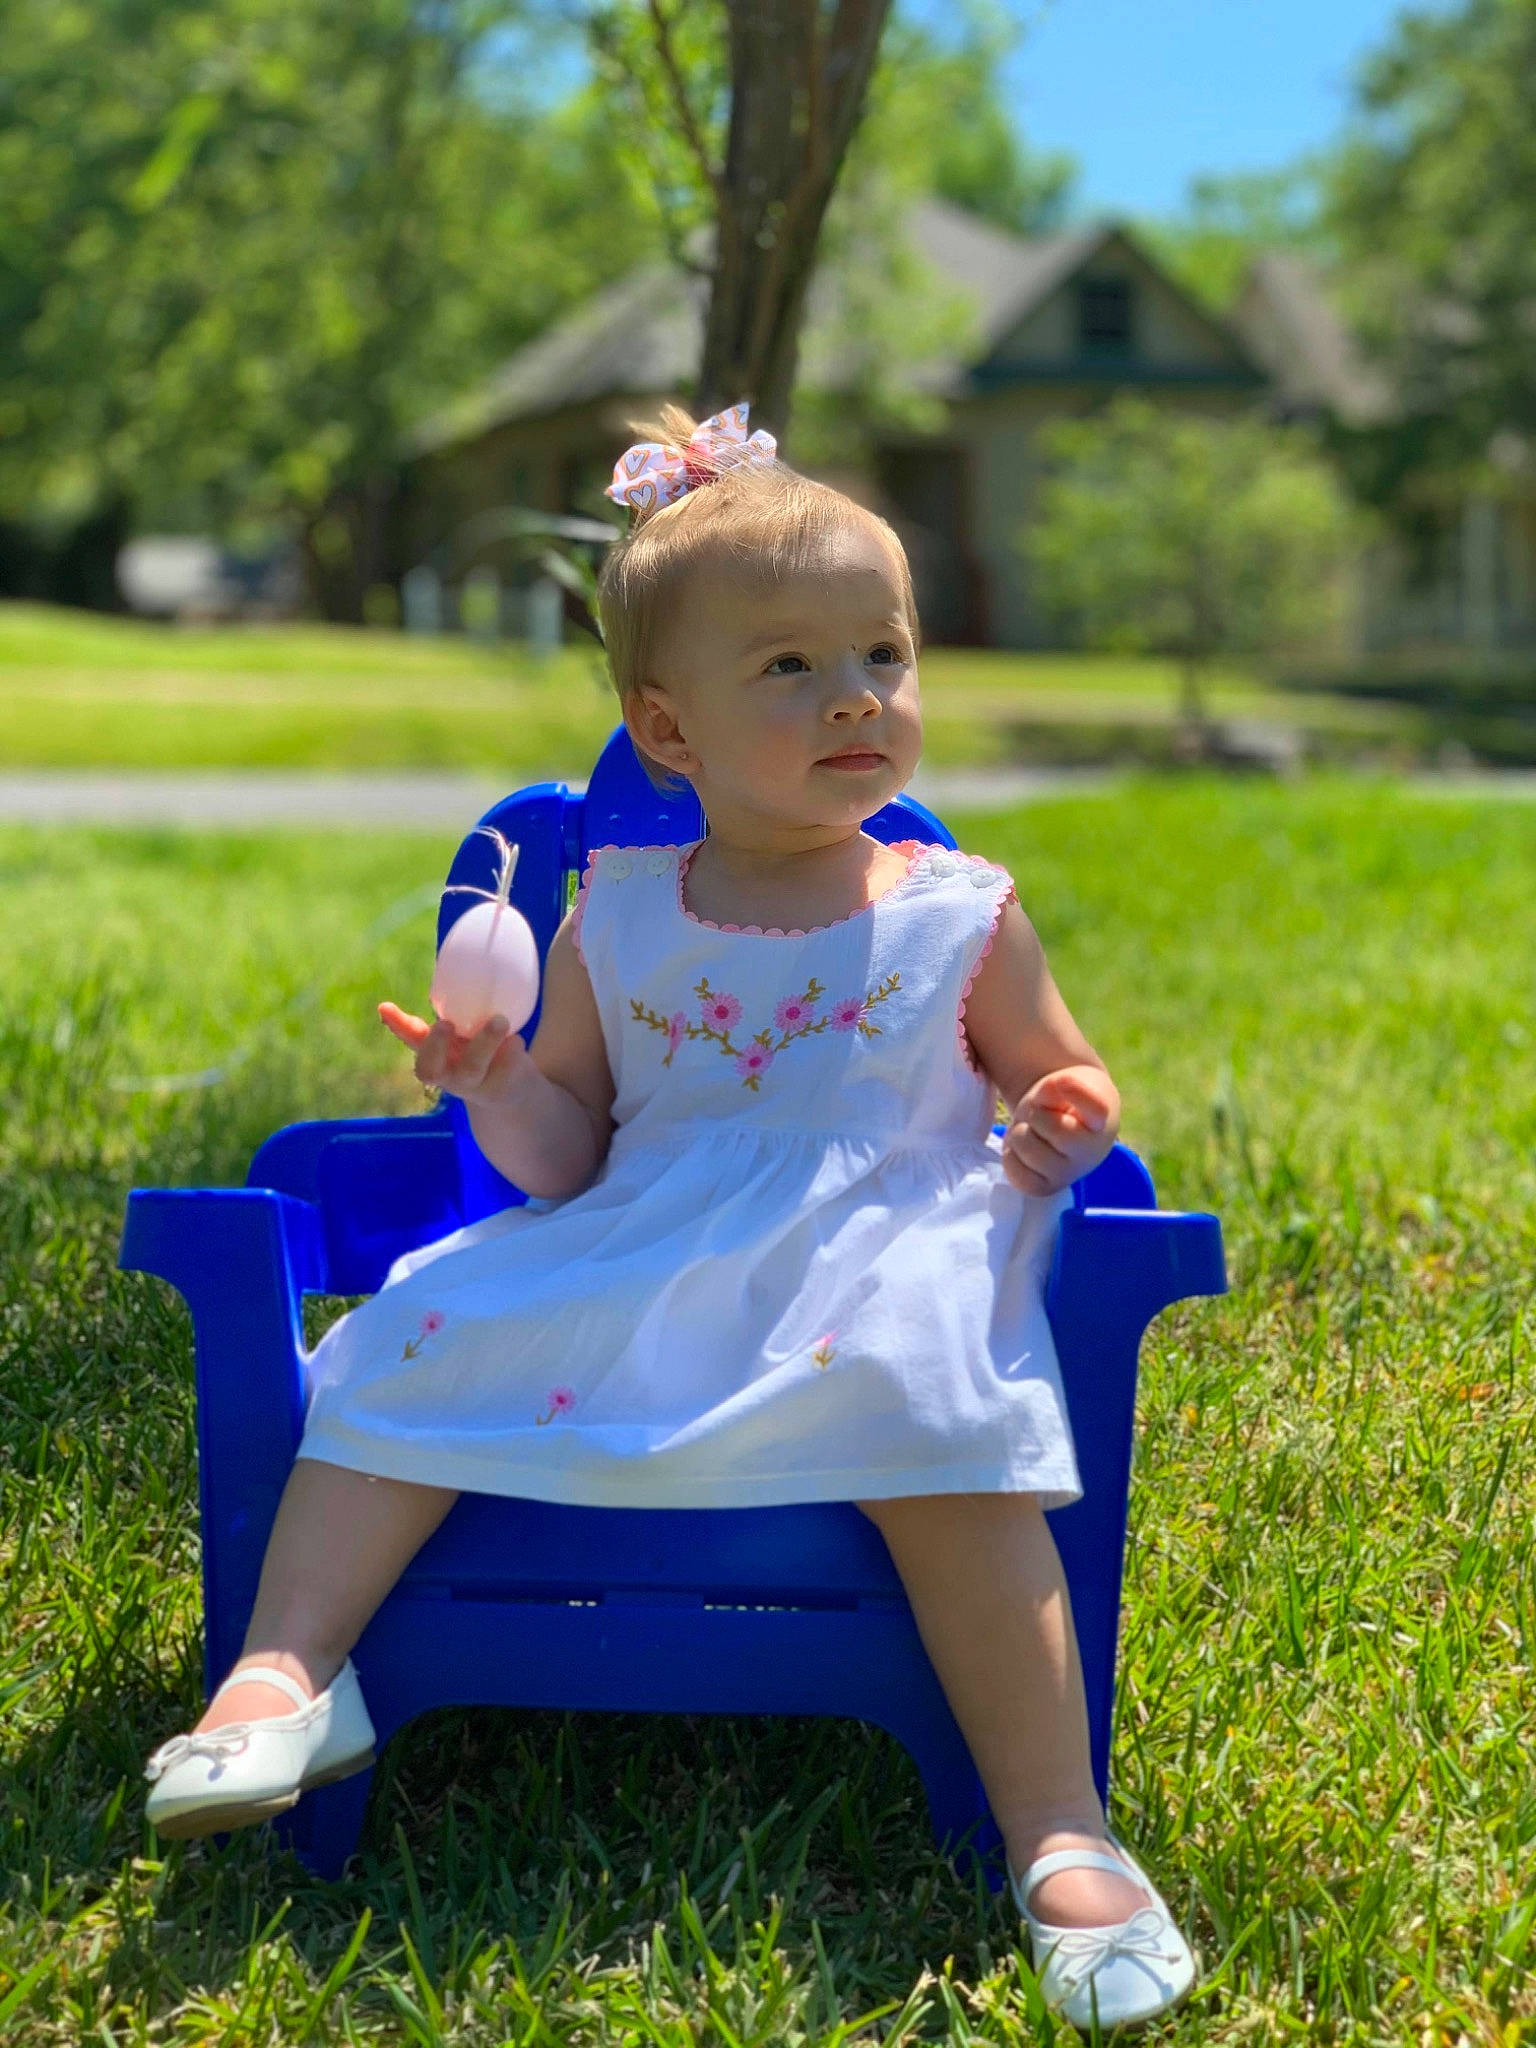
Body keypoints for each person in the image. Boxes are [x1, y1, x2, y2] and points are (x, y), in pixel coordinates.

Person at [142, 403, 1196, 2029]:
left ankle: (1062, 1823)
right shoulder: (617, 910)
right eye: (788, 667)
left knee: (949, 1438)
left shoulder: (961, 911)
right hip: (639, 1248)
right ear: (668, 729)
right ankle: (286, 1675)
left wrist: (1068, 1115)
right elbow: (565, 1154)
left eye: (885, 655)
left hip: (883, 1261)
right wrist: (493, 1084)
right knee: (401, 1348)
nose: (856, 693)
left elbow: (1059, 1072)